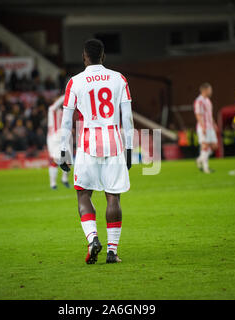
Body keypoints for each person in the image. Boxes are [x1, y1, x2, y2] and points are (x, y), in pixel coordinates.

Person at [59, 39, 134, 264]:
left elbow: (65, 121)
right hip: (114, 142)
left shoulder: (75, 82)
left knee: (83, 194)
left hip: (87, 143)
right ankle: (112, 251)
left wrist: (63, 150)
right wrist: (129, 148)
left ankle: (93, 239)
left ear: (84, 56)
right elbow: (127, 118)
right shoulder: (119, 79)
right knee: (113, 197)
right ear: (103, 56)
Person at [194, 83, 218, 173]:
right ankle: (206, 168)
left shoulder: (208, 101)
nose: (211, 92)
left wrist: (214, 123)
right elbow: (198, 114)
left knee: (214, 146)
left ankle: (199, 160)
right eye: (210, 90)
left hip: (210, 126)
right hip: (203, 127)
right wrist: (202, 126)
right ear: (205, 90)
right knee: (205, 146)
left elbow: (209, 114)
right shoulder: (199, 101)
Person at [47, 95, 69, 189]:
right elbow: (56, 104)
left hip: (62, 136)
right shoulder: (51, 109)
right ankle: (53, 183)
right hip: (53, 137)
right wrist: (66, 94)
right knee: (55, 160)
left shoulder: (63, 112)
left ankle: (64, 179)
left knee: (67, 159)